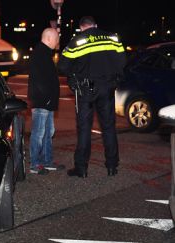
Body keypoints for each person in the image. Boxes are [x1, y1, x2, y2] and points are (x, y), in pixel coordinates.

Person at [58, 16, 126, 178]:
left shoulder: (78, 41)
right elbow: (122, 61)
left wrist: (76, 72)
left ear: (82, 28)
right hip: (108, 88)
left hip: (85, 90)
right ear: (95, 25)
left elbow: (63, 65)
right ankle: (112, 166)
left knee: (84, 129)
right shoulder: (112, 38)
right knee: (109, 128)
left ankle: (81, 168)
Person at [28, 27, 65, 175]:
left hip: (46, 101)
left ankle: (46, 161)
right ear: (49, 38)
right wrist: (47, 98)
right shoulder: (40, 54)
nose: (57, 42)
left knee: (48, 132)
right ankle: (35, 164)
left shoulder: (43, 53)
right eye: (56, 39)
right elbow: (39, 80)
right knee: (39, 133)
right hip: (43, 101)